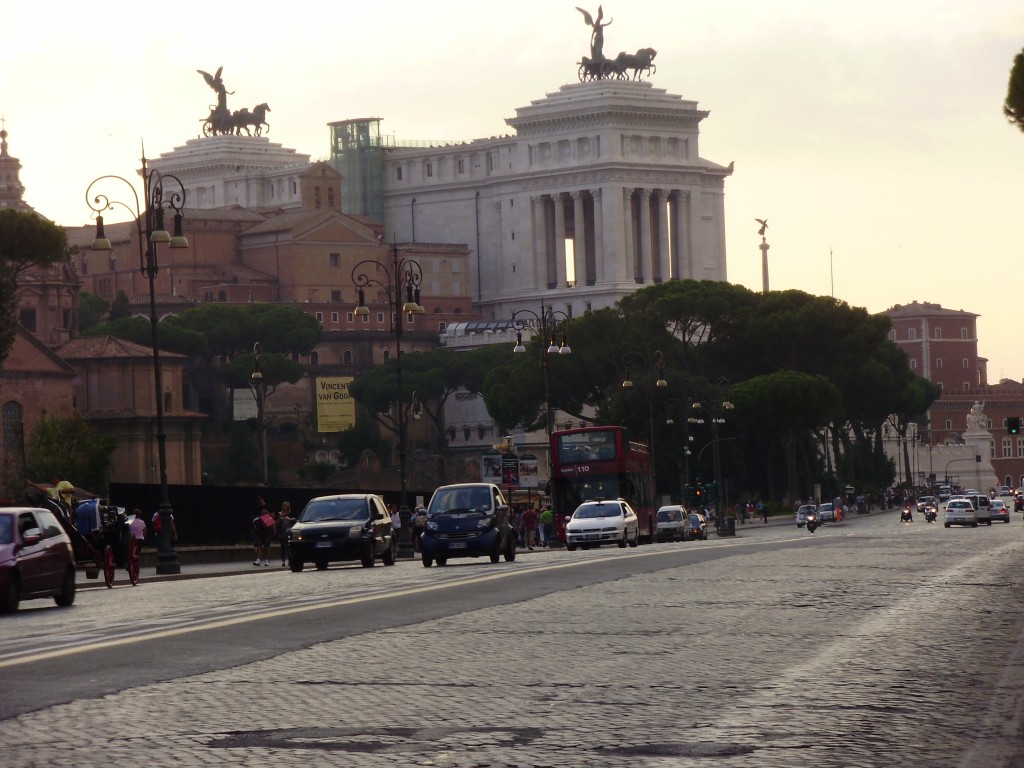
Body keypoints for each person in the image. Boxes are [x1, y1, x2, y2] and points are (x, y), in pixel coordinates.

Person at [252, 496, 273, 566]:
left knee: (266, 545)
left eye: (260, 500)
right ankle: (258, 559)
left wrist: (267, 513)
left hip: (267, 528)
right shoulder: (257, 508)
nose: (259, 502)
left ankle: (267, 560)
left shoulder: (268, 507)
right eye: (258, 501)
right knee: (259, 544)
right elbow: (254, 518)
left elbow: (273, 516)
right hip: (259, 528)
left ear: (262, 500)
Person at [276, 502, 293, 566]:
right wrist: (281, 519)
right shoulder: (279, 514)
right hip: (281, 531)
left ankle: (289, 560)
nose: (285, 508)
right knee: (282, 547)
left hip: (288, 531)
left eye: (287, 506)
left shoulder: (290, 514)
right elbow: (277, 523)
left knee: (288, 546)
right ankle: (283, 561)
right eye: (284, 506)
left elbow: (293, 521)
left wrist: (289, 519)